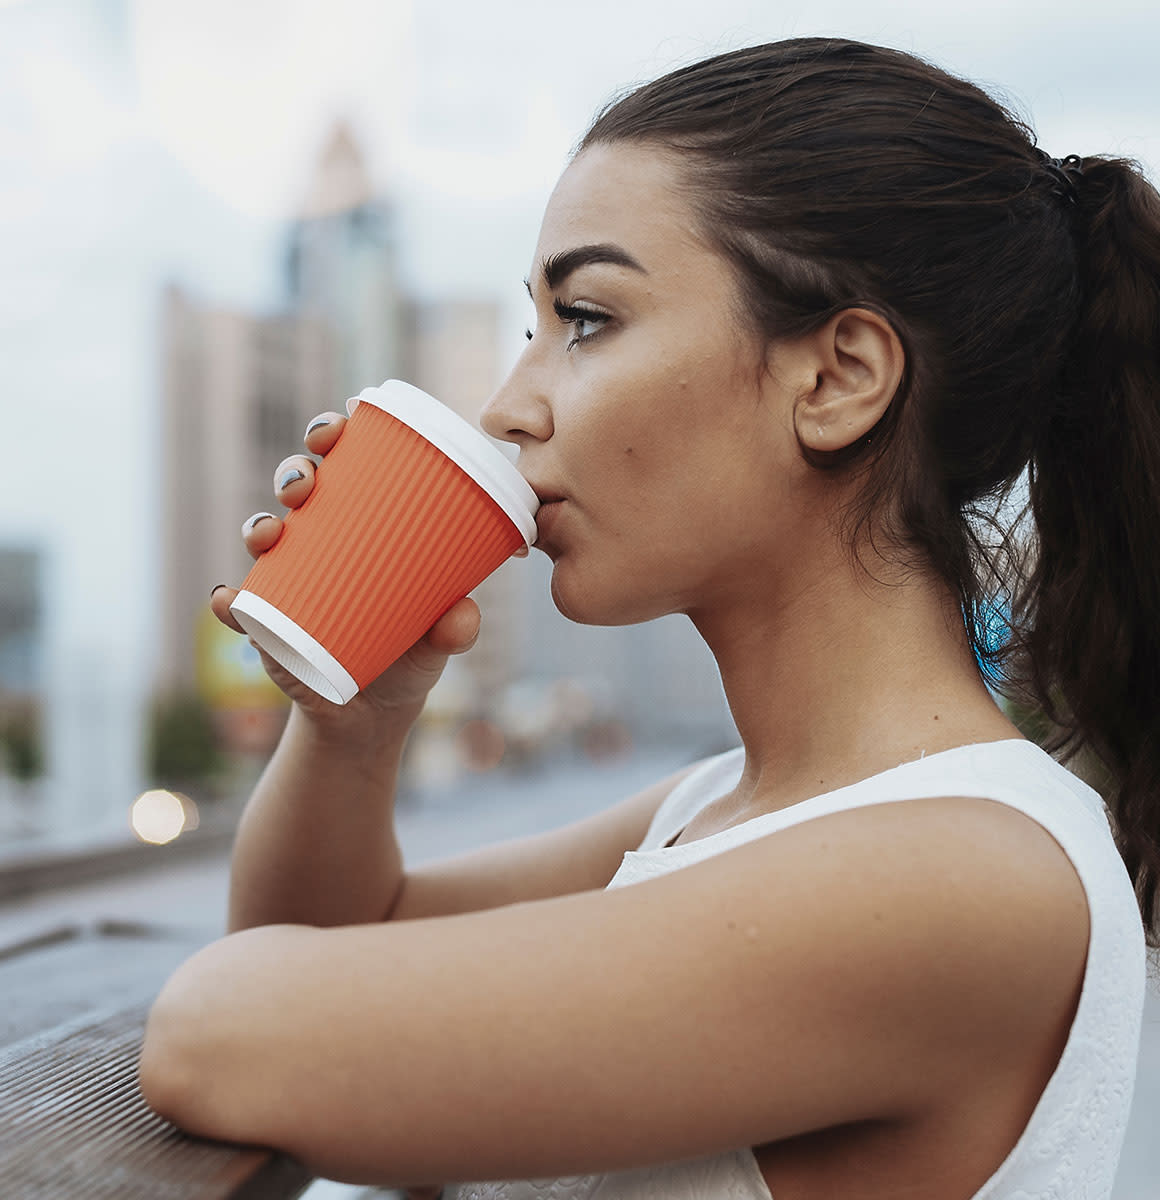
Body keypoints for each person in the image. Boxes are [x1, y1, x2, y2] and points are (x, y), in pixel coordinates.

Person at [139, 37, 1160, 1200]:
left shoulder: (968, 875)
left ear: (837, 380)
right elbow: (333, 952)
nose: (509, 406)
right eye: (534, 328)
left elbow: (225, 1033)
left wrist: (254, 996)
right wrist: (354, 728)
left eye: (586, 318)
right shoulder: (720, 810)